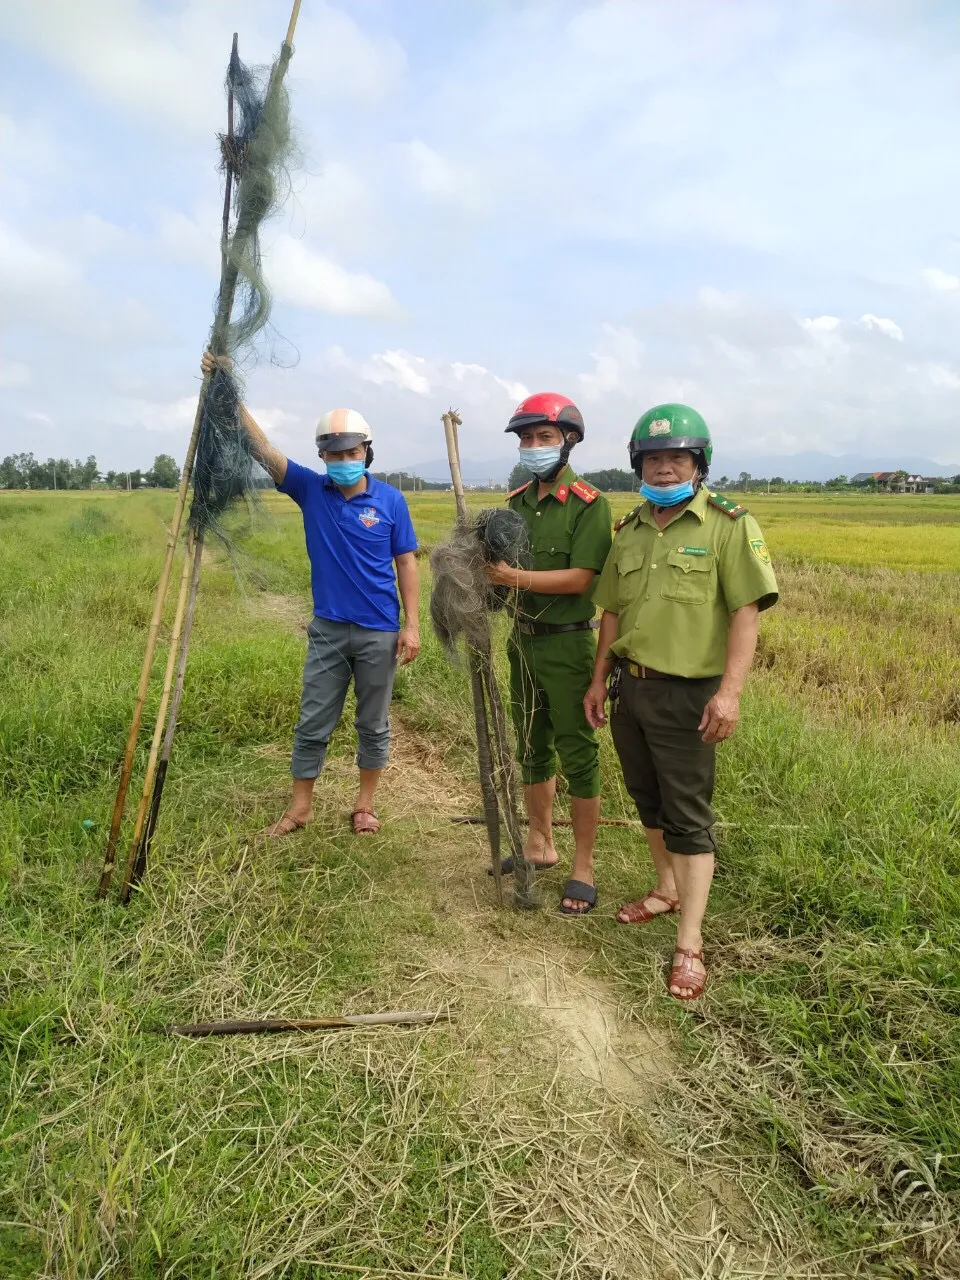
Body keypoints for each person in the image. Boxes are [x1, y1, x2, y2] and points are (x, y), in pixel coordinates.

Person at [584, 404, 778, 999]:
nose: (664, 468)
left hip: (691, 693)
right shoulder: (631, 529)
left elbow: (746, 613)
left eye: (677, 458)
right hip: (631, 687)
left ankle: (689, 944)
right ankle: (665, 890)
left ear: (699, 464)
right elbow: (611, 613)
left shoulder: (728, 524)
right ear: (638, 465)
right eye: (653, 459)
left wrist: (731, 694)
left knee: (689, 816)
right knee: (648, 799)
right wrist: (598, 679)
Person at [200, 351, 420, 836]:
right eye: (333, 453)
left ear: (367, 451)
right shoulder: (308, 489)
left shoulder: (390, 501)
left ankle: (365, 805)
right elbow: (263, 449)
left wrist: (411, 625)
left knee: (374, 724)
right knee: (313, 720)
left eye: (352, 452)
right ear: (322, 456)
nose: (343, 461)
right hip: (327, 631)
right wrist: (227, 390)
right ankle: (300, 808)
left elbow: (406, 561)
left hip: (379, 632)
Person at [485, 392, 612, 914]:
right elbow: (496, 575)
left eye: (544, 438)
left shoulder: (589, 504)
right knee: (531, 744)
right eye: (526, 439)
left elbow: (583, 576)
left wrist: (514, 577)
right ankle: (540, 843)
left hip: (569, 645)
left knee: (577, 751)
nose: (533, 447)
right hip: (522, 641)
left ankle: (583, 868)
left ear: (569, 442)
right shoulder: (514, 504)